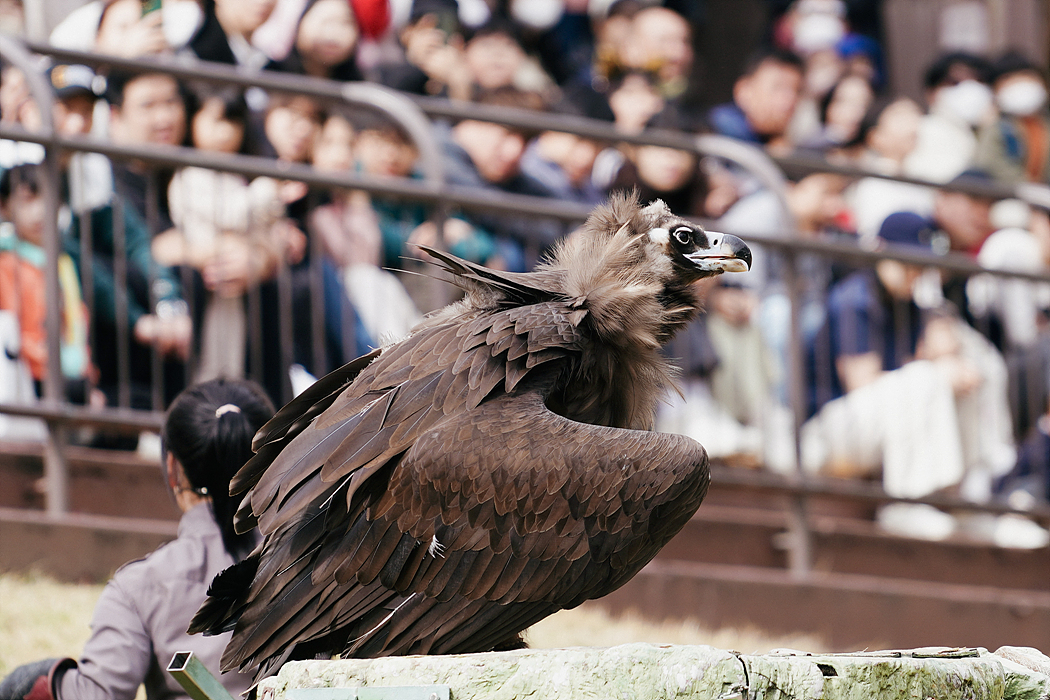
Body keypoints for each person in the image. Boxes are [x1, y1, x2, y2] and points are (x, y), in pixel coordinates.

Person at [0, 378, 274, 700]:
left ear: (172, 467)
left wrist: (32, 682)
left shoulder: (142, 586)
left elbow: (96, 696)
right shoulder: (311, 562)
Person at [159, 87, 285, 382]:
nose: (226, 132)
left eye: (233, 122)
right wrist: (268, 189)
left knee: (232, 363)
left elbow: (260, 227)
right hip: (202, 283)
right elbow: (231, 214)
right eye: (216, 120)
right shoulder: (189, 173)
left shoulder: (238, 176)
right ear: (194, 121)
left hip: (234, 285)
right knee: (206, 364)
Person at [0, 165, 91, 401]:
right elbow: (15, 333)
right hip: (29, 376)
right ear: (4, 207)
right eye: (27, 200)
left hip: (70, 373)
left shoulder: (63, 263)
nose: (39, 211)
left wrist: (86, 373)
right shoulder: (7, 263)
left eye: (47, 199)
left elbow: (77, 323)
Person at [707, 47, 805, 156]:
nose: (789, 100)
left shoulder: (780, 145)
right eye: (778, 88)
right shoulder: (716, 132)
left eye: (797, 91)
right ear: (743, 90)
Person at [973, 51, 1050, 185]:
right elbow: (989, 166)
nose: (1020, 84)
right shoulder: (996, 126)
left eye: (1026, 76)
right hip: (1012, 193)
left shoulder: (1044, 123)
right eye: (1009, 78)